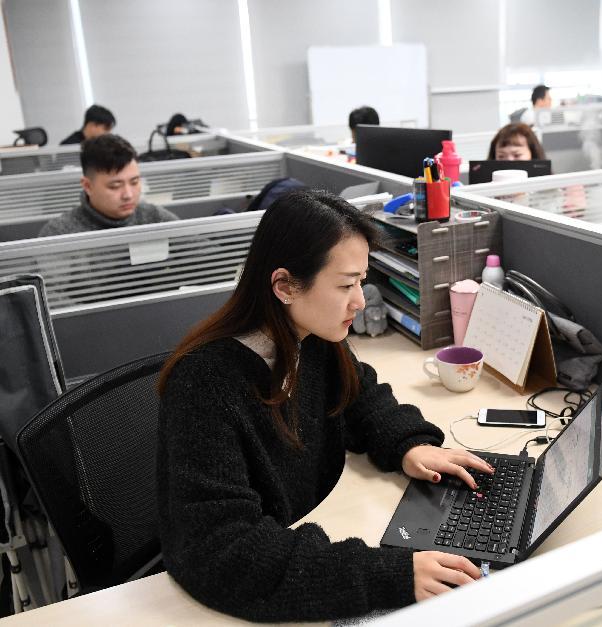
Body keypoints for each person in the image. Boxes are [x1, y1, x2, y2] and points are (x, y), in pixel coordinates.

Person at [155, 189, 493, 622]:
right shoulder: (204, 384)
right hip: (248, 582)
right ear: (285, 286)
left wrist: (409, 444)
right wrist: (389, 574)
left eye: (361, 282)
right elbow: (224, 551)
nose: (360, 301)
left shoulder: (310, 338)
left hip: (307, 531)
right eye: (345, 285)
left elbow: (360, 396)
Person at [39, 134, 178, 237]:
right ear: (88, 186)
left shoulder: (156, 219)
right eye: (115, 186)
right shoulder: (59, 234)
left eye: (134, 182)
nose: (128, 195)